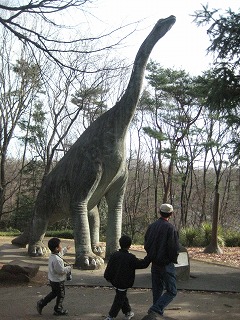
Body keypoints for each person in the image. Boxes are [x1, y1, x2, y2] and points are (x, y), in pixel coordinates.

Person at [143, 203, 179, 319]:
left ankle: (155, 315)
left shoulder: (152, 226)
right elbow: (173, 248)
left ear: (160, 212)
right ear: (171, 214)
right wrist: (172, 259)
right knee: (172, 290)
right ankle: (156, 309)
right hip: (166, 264)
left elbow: (146, 243)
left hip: (154, 263)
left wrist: (151, 255)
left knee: (157, 290)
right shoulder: (170, 228)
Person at [104, 235, 150, 320]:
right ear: (129, 246)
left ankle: (128, 312)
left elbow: (109, 267)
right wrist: (149, 257)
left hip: (114, 280)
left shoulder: (115, 255)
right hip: (124, 282)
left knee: (121, 296)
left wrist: (107, 277)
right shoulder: (130, 257)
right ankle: (111, 316)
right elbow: (142, 264)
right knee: (119, 299)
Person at [36, 237, 72, 316]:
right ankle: (58, 309)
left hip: (53, 279)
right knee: (61, 295)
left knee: (54, 293)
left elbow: (61, 253)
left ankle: (42, 303)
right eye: (60, 245)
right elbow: (61, 271)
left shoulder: (54, 255)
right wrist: (68, 268)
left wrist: (66, 249)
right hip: (58, 280)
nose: (61, 246)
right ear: (56, 248)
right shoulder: (57, 260)